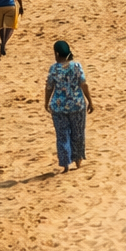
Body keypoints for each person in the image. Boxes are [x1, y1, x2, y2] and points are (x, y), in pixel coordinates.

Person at [44, 40, 93, 172]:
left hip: (59, 107)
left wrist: (46, 102)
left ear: (57, 53)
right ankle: (78, 162)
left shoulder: (54, 68)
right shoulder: (76, 66)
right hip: (77, 105)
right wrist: (90, 101)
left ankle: (65, 165)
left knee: (62, 136)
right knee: (78, 134)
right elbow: (84, 84)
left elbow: (49, 87)